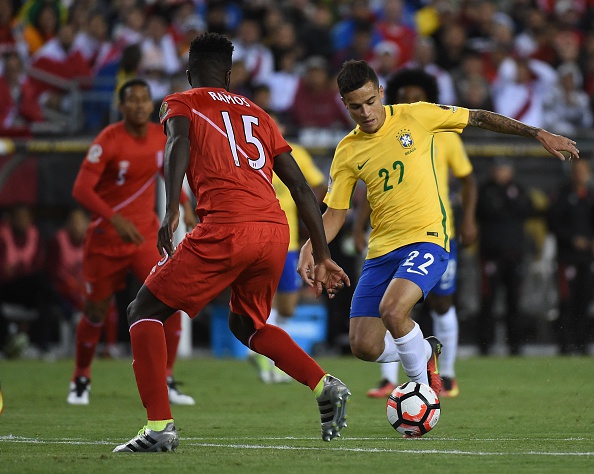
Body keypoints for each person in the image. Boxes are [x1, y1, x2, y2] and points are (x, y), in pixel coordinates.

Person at [297, 60, 578, 437]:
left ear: (380, 93)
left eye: (369, 101)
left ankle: (422, 391)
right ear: (344, 105)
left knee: (394, 311)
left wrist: (537, 133)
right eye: (354, 106)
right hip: (382, 251)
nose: (365, 113)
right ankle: (424, 350)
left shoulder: (419, 116)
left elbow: (478, 117)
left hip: (428, 237)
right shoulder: (347, 151)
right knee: (363, 346)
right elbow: (334, 214)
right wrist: (312, 247)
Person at [112, 33, 351, 453]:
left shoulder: (181, 102)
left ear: (189, 74)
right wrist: (324, 253)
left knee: (143, 311)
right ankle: (323, 384)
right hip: (275, 233)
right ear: (228, 74)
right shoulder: (260, 114)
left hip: (228, 227)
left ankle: (159, 427)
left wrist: (170, 208)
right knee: (248, 324)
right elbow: (299, 187)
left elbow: (178, 142)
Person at [67, 78, 197, 407]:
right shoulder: (108, 140)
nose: (140, 105)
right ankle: (81, 377)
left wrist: (184, 205)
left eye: (144, 99)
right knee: (96, 310)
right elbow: (81, 189)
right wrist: (115, 219)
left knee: (171, 296)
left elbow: (167, 172)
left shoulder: (160, 136)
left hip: (145, 238)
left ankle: (167, 378)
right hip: (105, 238)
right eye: (133, 100)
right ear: (121, 106)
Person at [353, 68, 477, 399]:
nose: (411, 101)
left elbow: (467, 178)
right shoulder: (373, 140)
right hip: (388, 238)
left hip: (436, 231)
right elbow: (374, 188)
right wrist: (358, 225)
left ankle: (444, 377)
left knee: (437, 304)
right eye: (405, 96)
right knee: (389, 314)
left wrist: (468, 220)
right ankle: (391, 378)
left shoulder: (442, 133)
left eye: (416, 95)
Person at [249, 115, 327, 383]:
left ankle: (267, 354)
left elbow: (316, 184)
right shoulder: (248, 153)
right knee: (262, 301)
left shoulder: (296, 154)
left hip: (290, 241)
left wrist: (310, 219)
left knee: (288, 307)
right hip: (259, 239)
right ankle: (267, 357)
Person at [476, 159, 534, 356]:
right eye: (498, 169)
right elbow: (484, 211)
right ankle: (485, 345)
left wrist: (503, 206)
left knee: (514, 301)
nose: (501, 173)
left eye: (504, 170)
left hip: (514, 254)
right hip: (490, 254)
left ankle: (516, 345)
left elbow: (529, 210)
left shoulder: (519, 189)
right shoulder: (484, 190)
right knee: (487, 300)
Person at [547, 159, 594, 355]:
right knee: (567, 302)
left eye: (584, 171)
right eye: (577, 170)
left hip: (587, 259)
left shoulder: (590, 196)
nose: (580, 174)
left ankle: (583, 344)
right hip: (567, 258)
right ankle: (565, 345)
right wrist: (573, 239)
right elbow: (552, 223)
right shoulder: (562, 194)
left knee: (585, 301)